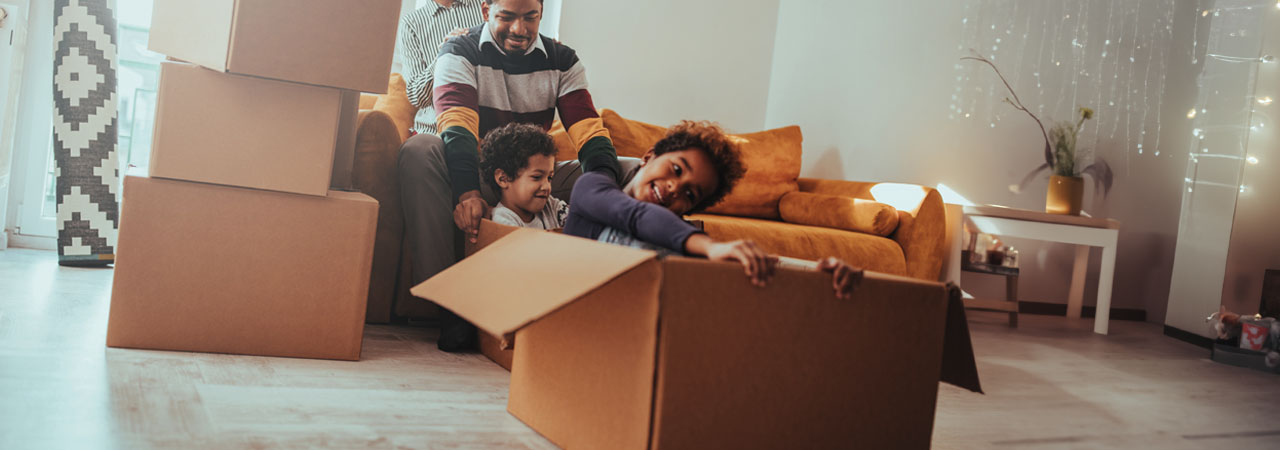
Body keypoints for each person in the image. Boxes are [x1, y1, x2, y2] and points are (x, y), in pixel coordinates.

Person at [398, 0, 622, 351]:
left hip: (531, 177)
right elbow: (457, 128)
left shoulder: (563, 60)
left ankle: (604, 299)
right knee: (418, 150)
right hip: (477, 168)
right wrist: (468, 193)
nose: (520, 29)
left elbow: (589, 131)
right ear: (486, 11)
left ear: (542, 13)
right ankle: (451, 307)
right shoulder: (459, 49)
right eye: (507, 17)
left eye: (530, 17)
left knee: (628, 170)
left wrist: (605, 189)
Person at [564, 121, 862, 298]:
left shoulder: (683, 238)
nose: (674, 188)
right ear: (649, 156)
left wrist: (813, 277)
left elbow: (745, 275)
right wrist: (709, 246)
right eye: (677, 169)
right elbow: (634, 215)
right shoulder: (592, 188)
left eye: (690, 194)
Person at [397, 0, 485, 135]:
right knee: (415, 150)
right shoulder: (410, 24)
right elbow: (416, 97)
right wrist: (444, 55)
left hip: (485, 124)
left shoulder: (487, 6)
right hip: (434, 129)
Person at [480, 123, 567, 229]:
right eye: (537, 177)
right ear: (503, 178)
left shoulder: (551, 205)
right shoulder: (503, 221)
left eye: (549, 178)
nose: (547, 187)